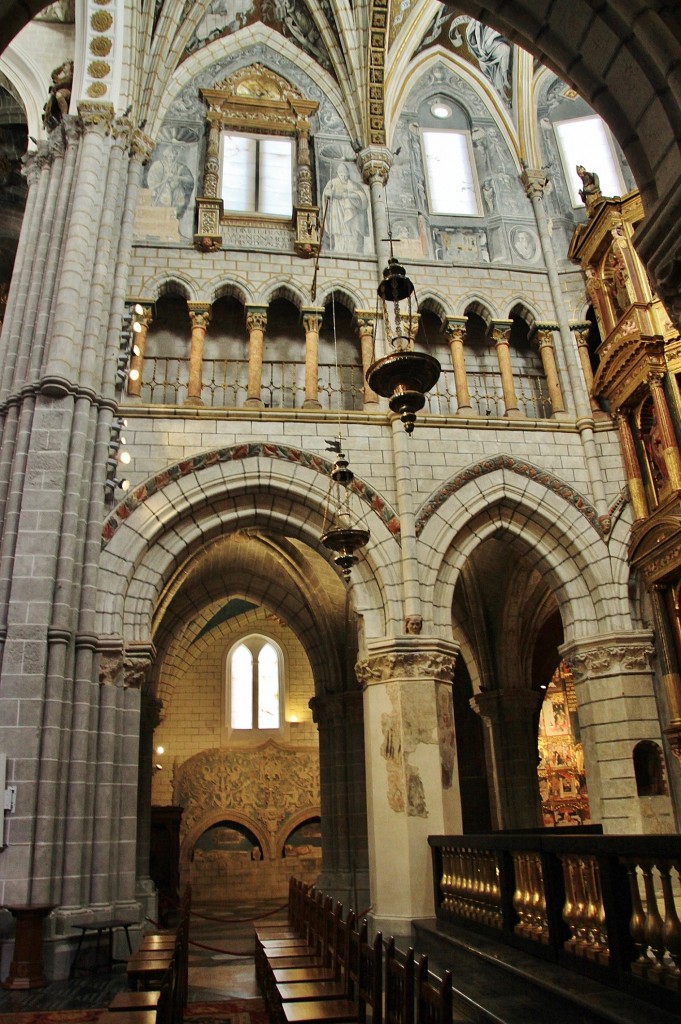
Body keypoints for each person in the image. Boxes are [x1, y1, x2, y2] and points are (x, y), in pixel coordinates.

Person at [322, 162, 369, 253]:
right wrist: (333, 193)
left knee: (353, 234)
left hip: (352, 215)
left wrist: (348, 195)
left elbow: (362, 197)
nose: (344, 177)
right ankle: (339, 248)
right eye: (342, 175)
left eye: (345, 175)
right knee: (339, 233)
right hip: (338, 212)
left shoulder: (354, 185)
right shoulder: (333, 182)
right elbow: (326, 193)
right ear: (338, 174)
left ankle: (354, 249)